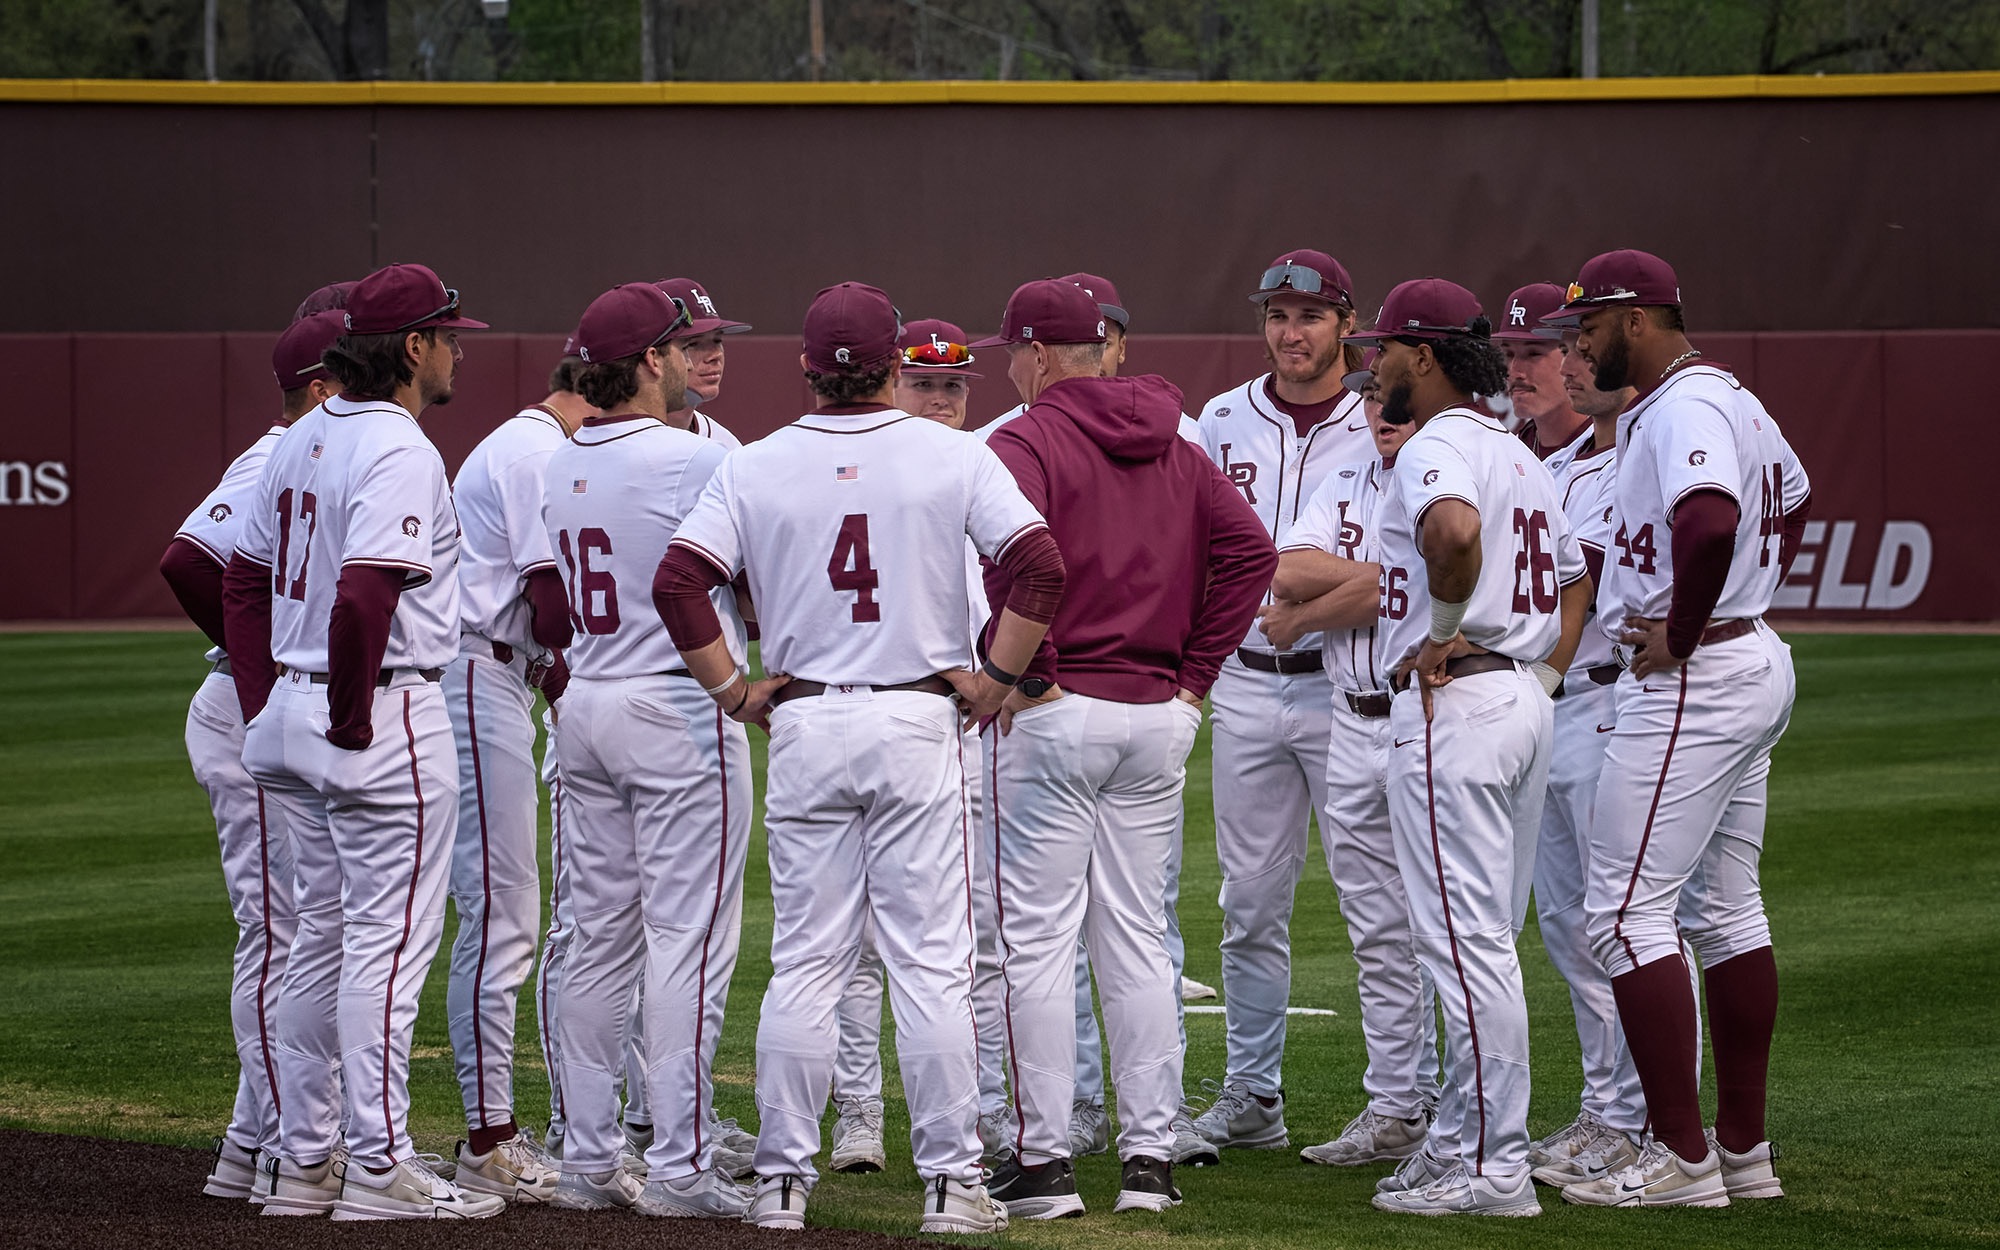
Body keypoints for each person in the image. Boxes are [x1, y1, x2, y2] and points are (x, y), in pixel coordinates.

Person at [655, 280, 1064, 1234]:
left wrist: (731, 690)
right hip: (917, 716)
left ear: (805, 369)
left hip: (804, 719)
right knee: (931, 965)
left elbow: (681, 580)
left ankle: (782, 1185)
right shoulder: (951, 451)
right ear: (891, 367)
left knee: (806, 961)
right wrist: (997, 678)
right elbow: (1041, 565)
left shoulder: (754, 463)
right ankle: (951, 1184)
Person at [973, 278, 1275, 1217]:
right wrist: (1192, 681)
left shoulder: (1021, 438)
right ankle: (1150, 1161)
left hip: (1061, 711)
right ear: (1100, 346)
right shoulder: (1179, 441)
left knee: (1035, 941)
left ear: (1036, 353)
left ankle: (1042, 1164)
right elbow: (1252, 556)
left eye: (1013, 351)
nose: (1011, 367)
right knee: (1140, 944)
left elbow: (1017, 560)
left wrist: (1036, 673)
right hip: (1155, 716)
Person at [222, 262, 501, 1220]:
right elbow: (366, 593)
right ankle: (380, 1168)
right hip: (375, 716)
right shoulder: (399, 446)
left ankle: (304, 1163)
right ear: (412, 346)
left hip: (294, 722)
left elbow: (242, 582)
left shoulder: (300, 436)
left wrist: (268, 706)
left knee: (318, 945)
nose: (460, 346)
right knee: (384, 952)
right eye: (449, 333)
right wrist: (348, 718)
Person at [1546, 249, 1811, 1208]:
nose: (1578, 345)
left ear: (1640, 321)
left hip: (1697, 671)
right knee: (1727, 911)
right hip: (1747, 658)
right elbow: (1796, 495)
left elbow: (1708, 521)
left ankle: (1683, 1158)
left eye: (1589, 329)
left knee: (1620, 913)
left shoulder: (1685, 403)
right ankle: (1743, 1152)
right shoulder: (1725, 395)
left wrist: (1688, 623)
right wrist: (1739, 600)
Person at [1347, 277, 1589, 1217]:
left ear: (1428, 356)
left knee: (1465, 942)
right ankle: (1461, 1139)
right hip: (1521, 696)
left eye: (1387, 349)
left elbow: (1451, 537)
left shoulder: (1442, 443)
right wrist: (1548, 679)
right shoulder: (1512, 449)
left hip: (1465, 703)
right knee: (1481, 937)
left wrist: (1446, 628)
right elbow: (1573, 580)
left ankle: (1491, 1167)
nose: (1376, 363)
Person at [533, 283, 751, 1219]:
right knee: (686, 944)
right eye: (682, 344)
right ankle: (679, 1166)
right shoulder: (687, 461)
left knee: (594, 942)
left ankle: (586, 1159)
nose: (694, 355)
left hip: (585, 703)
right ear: (651, 359)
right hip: (675, 704)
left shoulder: (558, 455)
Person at [1190, 250, 1375, 1154]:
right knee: (1249, 903)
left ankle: (1400, 1103)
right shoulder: (1221, 418)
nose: (1289, 331)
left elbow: (1402, 565)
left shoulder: (1383, 416)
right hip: (1244, 687)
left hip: (1348, 687)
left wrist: (1305, 589)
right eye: (1276, 314)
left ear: (1346, 320)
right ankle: (1253, 1095)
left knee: (1376, 903)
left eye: (1308, 314)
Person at [160, 307, 343, 1203]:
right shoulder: (277, 454)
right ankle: (282, 1145)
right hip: (249, 712)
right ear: (319, 389)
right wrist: (259, 667)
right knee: (280, 935)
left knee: (302, 932)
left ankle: (249, 1143)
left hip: (265, 710)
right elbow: (190, 560)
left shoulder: (324, 454)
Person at [825, 317, 1015, 1176]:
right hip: (881, 715)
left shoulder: (981, 466)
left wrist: (1007, 675)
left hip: (959, 726)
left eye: (952, 385)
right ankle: (860, 1113)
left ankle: (977, 1115)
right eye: (923, 382)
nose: (940, 398)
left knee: (971, 936)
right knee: (860, 939)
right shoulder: (881, 471)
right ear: (889, 382)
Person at [1259, 351, 1443, 1170]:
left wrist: (1304, 621)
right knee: (1375, 931)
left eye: (1393, 399)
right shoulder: (1345, 478)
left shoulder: (1453, 468)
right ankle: (1399, 1106)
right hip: (1349, 721)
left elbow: (1404, 588)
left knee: (1449, 926)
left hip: (1425, 718)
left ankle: (1463, 1114)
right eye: (1372, 398)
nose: (1381, 411)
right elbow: (1285, 568)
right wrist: (1374, 581)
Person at [439, 339, 589, 1204]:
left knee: (501, 911)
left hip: (496, 675)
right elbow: (550, 600)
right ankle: (488, 1139)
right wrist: (589, 685)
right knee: (499, 911)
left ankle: (489, 1129)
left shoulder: (527, 442)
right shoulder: (536, 450)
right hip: (479, 671)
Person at [1498, 284, 1591, 460]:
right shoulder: (1506, 457)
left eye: (1533, 354)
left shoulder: (1616, 451)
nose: (1514, 372)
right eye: (1509, 354)